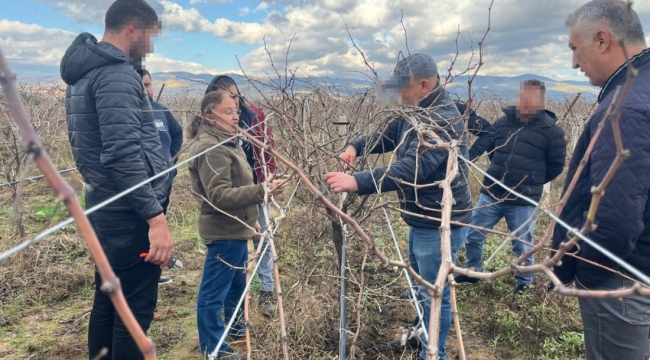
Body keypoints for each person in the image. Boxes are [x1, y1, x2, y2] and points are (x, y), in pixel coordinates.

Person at [325, 53, 472, 360]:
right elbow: (388, 135)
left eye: (402, 87)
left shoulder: (442, 118)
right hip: (421, 217)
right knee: (423, 286)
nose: (397, 94)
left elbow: (411, 168)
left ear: (423, 84)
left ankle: (434, 353)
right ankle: (422, 335)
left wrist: (357, 182)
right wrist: (357, 145)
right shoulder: (415, 111)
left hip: (440, 221)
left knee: (435, 295)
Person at [59, 1, 172, 359]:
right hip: (128, 214)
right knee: (133, 312)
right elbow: (122, 155)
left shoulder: (85, 73)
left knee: (109, 299)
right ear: (133, 30)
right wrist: (155, 218)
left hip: (104, 207)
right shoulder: (117, 74)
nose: (149, 47)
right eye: (149, 37)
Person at [552, 1, 650, 359]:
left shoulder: (625, 108)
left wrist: (588, 276)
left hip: (623, 281)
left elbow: (614, 224)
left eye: (575, 49)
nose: (574, 62)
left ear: (602, 39)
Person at [187, 91, 287, 360]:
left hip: (237, 227)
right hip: (223, 230)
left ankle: (235, 328)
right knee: (213, 292)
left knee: (236, 285)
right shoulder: (212, 148)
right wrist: (262, 190)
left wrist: (251, 216)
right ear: (209, 116)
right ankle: (214, 349)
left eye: (236, 111)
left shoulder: (229, 142)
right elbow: (219, 195)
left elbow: (238, 185)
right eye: (228, 111)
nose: (235, 116)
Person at [454, 80, 567, 293]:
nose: (524, 102)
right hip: (492, 193)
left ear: (540, 101)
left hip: (523, 199)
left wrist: (531, 180)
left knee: (522, 246)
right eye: (522, 97)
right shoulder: (502, 124)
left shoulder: (553, 133)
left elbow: (555, 167)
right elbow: (493, 150)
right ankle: (472, 271)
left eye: (530, 98)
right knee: (474, 235)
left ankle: (523, 285)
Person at [205, 75, 279, 317]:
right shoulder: (210, 134)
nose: (233, 104)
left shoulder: (254, 118)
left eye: (235, 97)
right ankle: (233, 311)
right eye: (226, 100)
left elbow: (268, 150)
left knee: (264, 241)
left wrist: (266, 181)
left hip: (257, 190)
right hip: (230, 197)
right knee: (232, 250)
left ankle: (266, 292)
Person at [139, 69, 184, 286]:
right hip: (141, 189)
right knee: (141, 232)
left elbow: (177, 133)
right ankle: (144, 277)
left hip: (164, 184)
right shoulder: (128, 116)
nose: (145, 90)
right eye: (140, 85)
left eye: (148, 84)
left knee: (159, 228)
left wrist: (171, 162)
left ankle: (153, 274)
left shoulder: (161, 111)